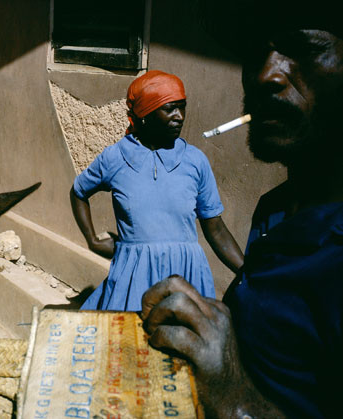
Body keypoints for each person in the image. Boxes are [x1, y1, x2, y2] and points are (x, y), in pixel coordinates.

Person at [141, 2, 343, 417]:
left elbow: (213, 226)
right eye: (256, 53)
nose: (265, 74)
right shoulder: (277, 208)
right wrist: (213, 320)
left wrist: (234, 398)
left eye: (302, 48)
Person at [70, 70, 243, 312]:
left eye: (182, 107)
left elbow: (215, 227)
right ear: (144, 115)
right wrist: (92, 240)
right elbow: (79, 192)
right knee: (129, 343)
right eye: (170, 109)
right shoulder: (116, 158)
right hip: (134, 275)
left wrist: (248, 272)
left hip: (186, 275)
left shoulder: (195, 160)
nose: (179, 116)